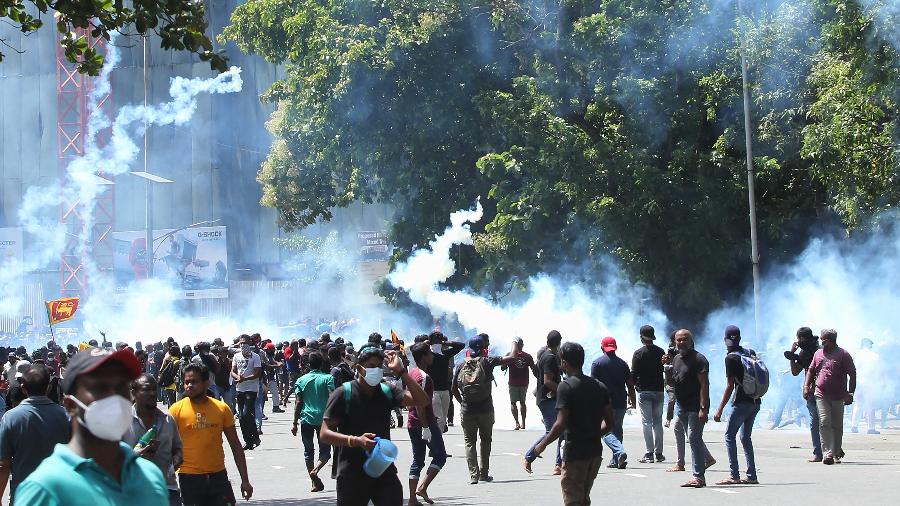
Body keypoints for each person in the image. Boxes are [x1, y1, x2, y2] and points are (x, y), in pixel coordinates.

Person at [15, 347, 168, 505]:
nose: (114, 398)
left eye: (121, 387)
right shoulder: (44, 488)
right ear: (70, 405)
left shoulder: (149, 476)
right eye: (100, 388)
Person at [320, 344, 429, 505]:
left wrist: (402, 372)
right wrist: (356, 441)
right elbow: (325, 433)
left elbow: (422, 400)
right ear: (359, 368)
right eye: (371, 366)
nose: (376, 370)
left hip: (383, 469)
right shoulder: (344, 393)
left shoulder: (387, 391)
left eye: (379, 366)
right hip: (352, 473)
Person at [531, 342, 614, 506]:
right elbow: (610, 423)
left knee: (573, 501)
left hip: (575, 453)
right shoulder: (599, 386)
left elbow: (560, 424)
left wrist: (542, 444)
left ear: (564, 363)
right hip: (595, 453)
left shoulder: (565, 387)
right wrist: (593, 435)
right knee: (583, 498)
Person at [170, 363, 253, 504]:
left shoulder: (222, 409)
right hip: (190, 478)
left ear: (206, 383)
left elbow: (236, 446)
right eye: (186, 382)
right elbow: (167, 445)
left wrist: (245, 480)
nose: (189, 385)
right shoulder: (176, 410)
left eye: (194, 382)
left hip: (218, 477)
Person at [0, 364, 71, 502]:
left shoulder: (10, 418)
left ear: (23, 388)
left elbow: (3, 464)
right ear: (49, 387)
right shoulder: (66, 415)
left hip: (24, 496)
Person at [452, 335, 516, 484]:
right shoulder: (488, 361)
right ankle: (484, 473)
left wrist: (462, 402)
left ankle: (473, 475)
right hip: (486, 409)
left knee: (469, 442)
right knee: (485, 440)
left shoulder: (461, 364)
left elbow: (454, 388)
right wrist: (514, 342)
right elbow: (511, 358)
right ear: (483, 348)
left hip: (467, 410)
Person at [124, 374, 184, 506]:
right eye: (146, 389)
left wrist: (176, 460)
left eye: (154, 389)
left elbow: (177, 448)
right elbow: (111, 459)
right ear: (133, 393)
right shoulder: (122, 421)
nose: (152, 393)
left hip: (167, 489)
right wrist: (136, 456)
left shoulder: (168, 419)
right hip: (134, 492)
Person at [712, 326, 762, 485]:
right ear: (739, 338)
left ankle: (734, 475)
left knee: (729, 436)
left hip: (740, 403)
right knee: (745, 437)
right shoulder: (751, 352)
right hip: (755, 401)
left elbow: (730, 385)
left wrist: (719, 409)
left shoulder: (731, 358)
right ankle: (752, 475)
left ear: (726, 340)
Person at [664, 329, 712, 488]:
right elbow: (672, 382)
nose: (681, 343)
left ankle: (698, 477)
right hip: (682, 406)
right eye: (678, 340)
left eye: (684, 340)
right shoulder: (676, 359)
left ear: (691, 341)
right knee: (692, 439)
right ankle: (700, 470)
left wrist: (703, 408)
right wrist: (666, 367)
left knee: (694, 439)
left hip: (695, 406)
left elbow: (704, 385)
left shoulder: (699, 359)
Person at [804, 328, 856, 465]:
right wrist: (806, 387)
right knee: (824, 421)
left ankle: (836, 450)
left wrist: (850, 393)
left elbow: (852, 373)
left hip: (838, 395)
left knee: (837, 425)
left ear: (831, 341)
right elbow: (811, 370)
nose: (821, 343)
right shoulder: (818, 353)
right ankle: (828, 453)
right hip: (821, 393)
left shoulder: (843, 354)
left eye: (823, 341)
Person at [407, 343, 448, 506]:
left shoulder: (412, 373)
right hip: (424, 424)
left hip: (413, 422)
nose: (432, 356)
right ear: (424, 356)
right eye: (430, 354)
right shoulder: (423, 377)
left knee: (418, 460)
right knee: (440, 456)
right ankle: (422, 488)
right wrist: (426, 427)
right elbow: (419, 404)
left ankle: (412, 498)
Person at [291, 351, 335, 492]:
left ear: (308, 365)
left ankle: (313, 483)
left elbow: (298, 403)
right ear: (322, 363)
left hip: (306, 419)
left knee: (308, 451)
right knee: (325, 452)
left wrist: (294, 423)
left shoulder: (301, 380)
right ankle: (315, 471)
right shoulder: (328, 378)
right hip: (324, 420)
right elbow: (332, 397)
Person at [590, 336, 635, 470]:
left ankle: (619, 452)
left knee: (605, 431)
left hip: (604, 402)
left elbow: (593, 385)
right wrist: (633, 400)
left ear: (602, 347)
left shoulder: (597, 363)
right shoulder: (623, 363)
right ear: (615, 347)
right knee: (618, 429)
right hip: (620, 400)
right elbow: (630, 385)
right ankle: (616, 460)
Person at [524, 330, 564, 475]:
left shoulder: (547, 355)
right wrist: (563, 388)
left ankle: (559, 465)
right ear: (559, 342)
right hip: (547, 399)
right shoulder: (550, 357)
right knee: (552, 432)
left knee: (562, 431)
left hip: (549, 398)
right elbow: (547, 381)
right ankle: (530, 456)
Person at [786, 326, 822, 461]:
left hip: (822, 390)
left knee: (824, 421)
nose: (799, 341)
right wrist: (792, 356)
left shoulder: (819, 351)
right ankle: (818, 452)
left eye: (802, 338)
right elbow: (795, 372)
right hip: (811, 391)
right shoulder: (803, 353)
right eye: (798, 338)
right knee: (814, 421)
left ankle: (830, 450)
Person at [632, 324, 666, 463]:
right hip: (658, 390)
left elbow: (633, 373)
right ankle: (659, 453)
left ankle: (649, 453)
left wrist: (632, 389)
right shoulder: (661, 351)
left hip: (644, 391)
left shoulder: (638, 353)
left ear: (641, 337)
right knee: (657, 422)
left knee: (647, 422)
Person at [424, 331, 464, 433]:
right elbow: (412, 349)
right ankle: (436, 444)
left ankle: (436, 443)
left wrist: (445, 343)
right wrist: (426, 344)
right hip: (433, 391)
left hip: (445, 390)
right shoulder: (428, 354)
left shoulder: (445, 354)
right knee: (439, 419)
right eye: (435, 339)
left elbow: (461, 345)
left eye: (439, 339)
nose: (437, 341)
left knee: (443, 419)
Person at [502, 337, 537, 430]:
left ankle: (517, 423)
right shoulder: (528, 356)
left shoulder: (510, 355)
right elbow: (534, 369)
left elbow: (502, 368)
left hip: (513, 383)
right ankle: (523, 423)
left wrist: (506, 358)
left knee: (513, 403)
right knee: (523, 402)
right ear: (522, 345)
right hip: (524, 382)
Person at [231, 343, 261, 450]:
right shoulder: (236, 356)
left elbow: (257, 373)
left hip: (251, 388)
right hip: (240, 389)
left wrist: (246, 378)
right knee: (242, 417)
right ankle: (248, 440)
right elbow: (233, 371)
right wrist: (238, 377)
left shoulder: (255, 357)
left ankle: (255, 436)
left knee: (246, 413)